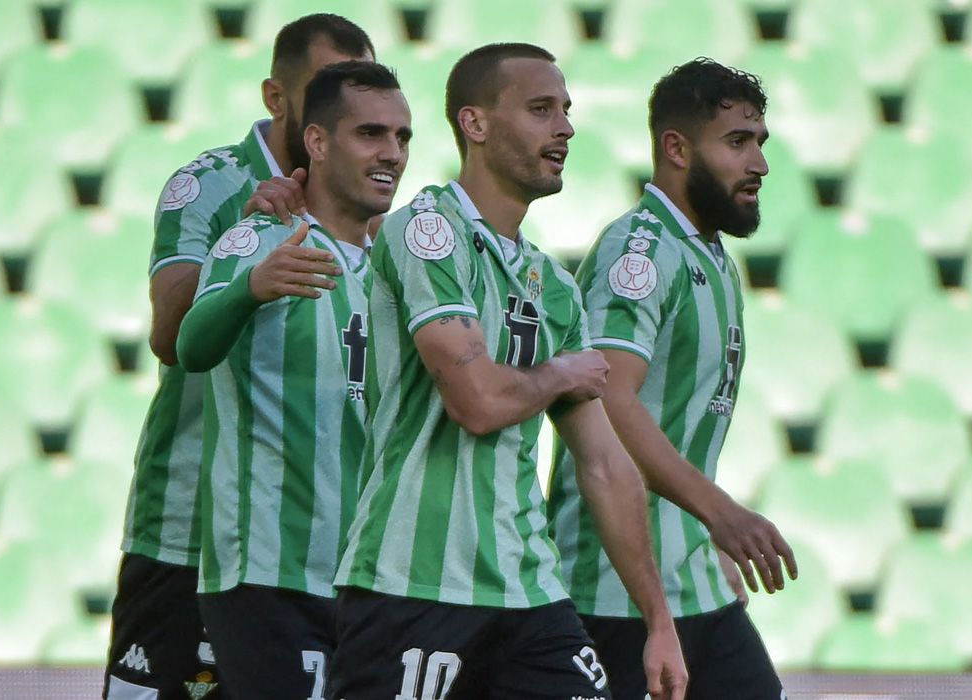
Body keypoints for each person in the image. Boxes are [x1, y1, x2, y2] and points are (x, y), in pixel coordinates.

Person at [327, 43, 688, 700]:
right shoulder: (425, 233)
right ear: (476, 123)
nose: (565, 128)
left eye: (566, 111)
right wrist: (561, 373)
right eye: (541, 109)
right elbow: (478, 404)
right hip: (412, 587)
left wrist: (658, 621)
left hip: (530, 594)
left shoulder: (556, 287)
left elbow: (604, 465)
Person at [104, 15, 375, 700]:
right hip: (191, 524)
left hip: (311, 542)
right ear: (276, 98)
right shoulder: (210, 185)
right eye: (326, 85)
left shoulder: (367, 211)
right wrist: (251, 240)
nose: (344, 102)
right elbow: (171, 335)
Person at [547, 58, 796, 700]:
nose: (759, 164)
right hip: (612, 593)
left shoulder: (710, 256)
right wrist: (720, 513)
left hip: (695, 582)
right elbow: (609, 397)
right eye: (737, 143)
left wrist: (703, 536)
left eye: (760, 143)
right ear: (677, 149)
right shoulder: (641, 252)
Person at [174, 60, 411, 699]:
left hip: (367, 580)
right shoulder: (261, 237)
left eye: (402, 137)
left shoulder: (396, 267)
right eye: (370, 134)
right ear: (318, 142)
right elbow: (190, 347)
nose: (392, 153)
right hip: (269, 573)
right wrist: (249, 290)